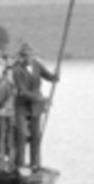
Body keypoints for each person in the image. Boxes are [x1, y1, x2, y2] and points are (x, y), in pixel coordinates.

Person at [11, 43, 59, 171]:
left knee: (36, 135)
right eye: (23, 55)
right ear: (20, 56)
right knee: (22, 134)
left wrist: (55, 76)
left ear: (32, 55)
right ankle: (20, 164)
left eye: (28, 55)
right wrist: (41, 98)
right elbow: (22, 91)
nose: (26, 58)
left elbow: (49, 77)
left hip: (36, 106)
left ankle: (35, 163)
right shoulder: (16, 70)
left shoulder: (36, 65)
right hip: (22, 105)